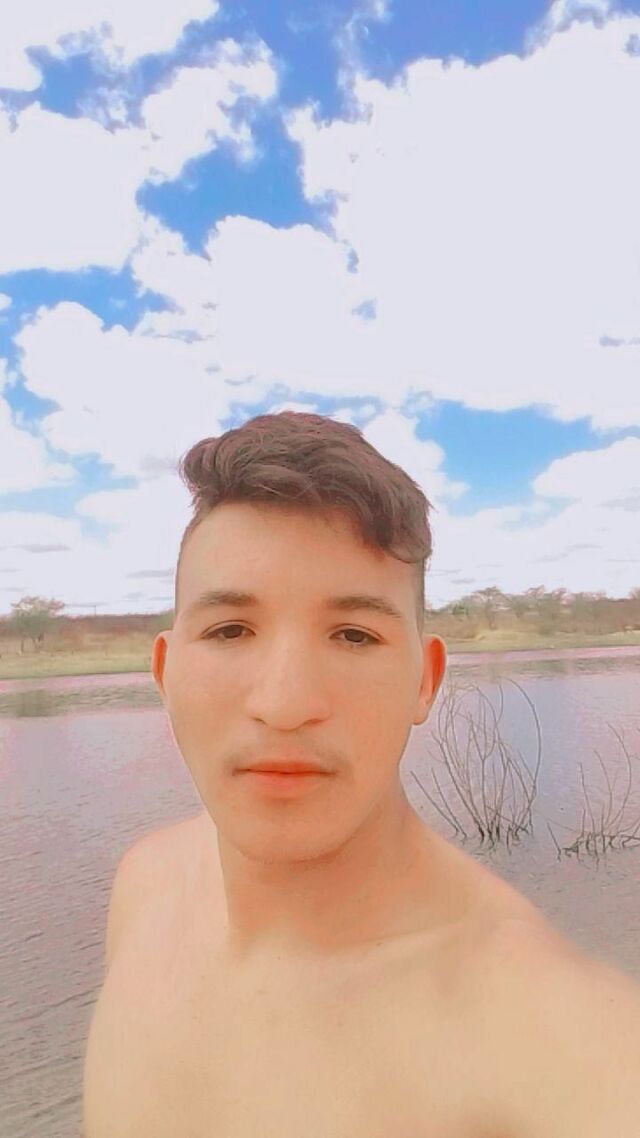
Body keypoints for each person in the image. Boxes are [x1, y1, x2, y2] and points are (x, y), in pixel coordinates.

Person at [82, 410, 640, 1136]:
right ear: (164, 673)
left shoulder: (555, 1040)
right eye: (230, 630)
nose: (285, 704)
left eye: (353, 634)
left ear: (424, 681)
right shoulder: (145, 887)